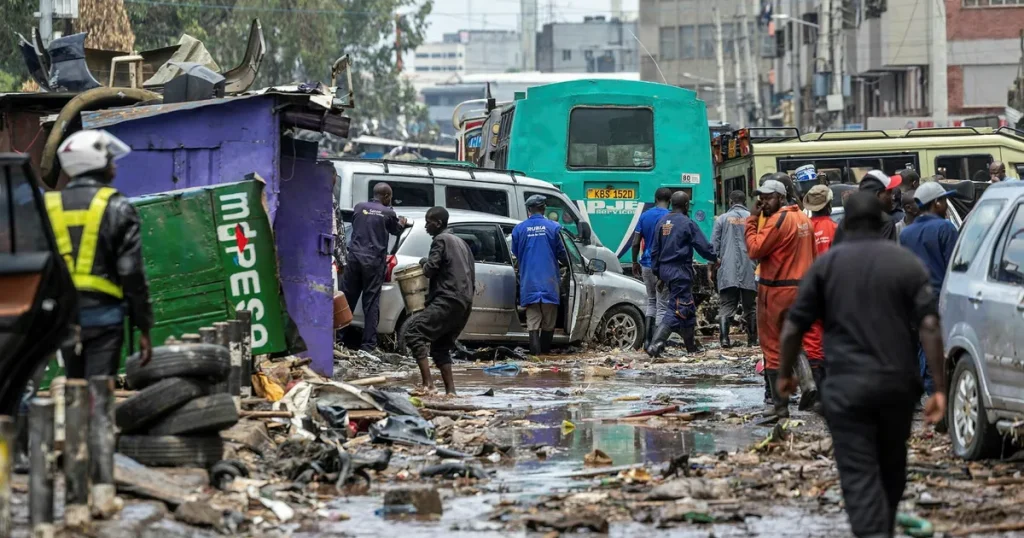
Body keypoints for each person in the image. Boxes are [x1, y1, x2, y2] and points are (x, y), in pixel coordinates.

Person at [776, 191, 947, 538]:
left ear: (847, 223)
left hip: (847, 388)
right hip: (897, 387)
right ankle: (881, 527)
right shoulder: (905, 263)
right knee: (891, 466)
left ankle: (873, 532)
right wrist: (940, 389)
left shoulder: (826, 266)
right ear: (882, 222)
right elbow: (929, 325)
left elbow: (794, 326)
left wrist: (784, 375)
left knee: (858, 471)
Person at [48, 130, 154, 378]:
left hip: (62, 317)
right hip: (104, 317)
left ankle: (77, 416)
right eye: (109, 159)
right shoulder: (117, 206)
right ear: (97, 163)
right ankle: (98, 417)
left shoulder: (49, 206)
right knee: (100, 386)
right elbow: (131, 271)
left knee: (75, 385)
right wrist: (145, 326)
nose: (113, 165)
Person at [745, 179, 816, 418]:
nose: (763, 202)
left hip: (776, 291)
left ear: (781, 198)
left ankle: (780, 407)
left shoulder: (778, 221)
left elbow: (755, 249)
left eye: (768, 197)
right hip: (801, 289)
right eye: (761, 198)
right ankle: (808, 385)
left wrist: (752, 220)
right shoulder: (804, 220)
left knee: (772, 347)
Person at [405, 207, 475, 395]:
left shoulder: (440, 240)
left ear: (438, 223)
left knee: (413, 332)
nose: (426, 225)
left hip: (448, 298)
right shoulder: (462, 243)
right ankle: (451, 392)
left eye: (428, 222)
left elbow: (430, 269)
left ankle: (428, 384)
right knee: (440, 348)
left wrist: (422, 262)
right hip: (464, 304)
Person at [899, 181, 960, 396]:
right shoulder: (945, 228)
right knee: (936, 346)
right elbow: (954, 268)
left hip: (913, 300)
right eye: (944, 200)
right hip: (939, 299)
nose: (946, 204)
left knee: (920, 346)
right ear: (937, 203)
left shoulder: (906, 233)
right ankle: (934, 392)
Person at [646, 191, 717, 356]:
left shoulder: (661, 222)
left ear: (671, 203)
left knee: (688, 307)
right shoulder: (687, 223)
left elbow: (654, 250)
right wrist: (714, 257)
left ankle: (691, 346)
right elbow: (703, 246)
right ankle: (656, 345)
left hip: (664, 269)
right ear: (686, 206)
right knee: (677, 307)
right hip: (680, 270)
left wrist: (658, 273)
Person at [340, 183, 408, 351]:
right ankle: (368, 345)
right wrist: (401, 221)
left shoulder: (359, 207)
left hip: (354, 258)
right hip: (373, 262)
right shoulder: (388, 212)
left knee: (347, 300)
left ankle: (338, 339)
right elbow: (396, 229)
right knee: (370, 303)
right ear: (386, 196)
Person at [512, 194, 567, 355]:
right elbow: (562, 254)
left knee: (533, 322)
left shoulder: (519, 229)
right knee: (549, 323)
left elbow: (515, 253)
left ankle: (536, 359)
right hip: (549, 283)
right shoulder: (554, 227)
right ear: (544, 209)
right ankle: (545, 358)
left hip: (529, 283)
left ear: (529, 210)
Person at [802, 185, 838, 394]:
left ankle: (817, 385)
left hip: (807, 287)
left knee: (812, 336)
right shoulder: (834, 228)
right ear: (829, 204)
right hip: (830, 288)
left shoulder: (803, 227)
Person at [711, 190, 756, 348]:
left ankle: (724, 339)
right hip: (750, 268)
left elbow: (714, 246)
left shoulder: (722, 219)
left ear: (730, 202)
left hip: (727, 269)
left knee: (726, 306)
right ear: (744, 202)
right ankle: (752, 341)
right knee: (750, 307)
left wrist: (712, 267)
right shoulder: (752, 218)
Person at [632, 188, 672, 348]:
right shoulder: (670, 217)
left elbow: (635, 242)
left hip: (646, 264)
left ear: (655, 199)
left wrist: (635, 262)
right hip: (664, 266)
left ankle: (647, 341)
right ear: (669, 200)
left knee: (651, 302)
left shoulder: (645, 216)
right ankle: (658, 343)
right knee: (663, 304)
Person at [834, 170, 900, 244]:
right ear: (878, 195)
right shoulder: (885, 222)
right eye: (889, 193)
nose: (892, 197)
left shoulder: (845, 221)